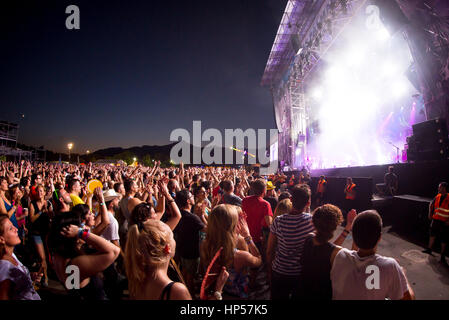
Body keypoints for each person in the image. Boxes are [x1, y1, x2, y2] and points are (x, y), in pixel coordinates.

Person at [125, 219, 228, 300]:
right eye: (173, 237)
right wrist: (217, 292)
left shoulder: (136, 282)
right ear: (168, 248)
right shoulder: (176, 291)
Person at [331, 210, 415, 300]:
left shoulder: (340, 256)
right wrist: (403, 276)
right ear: (379, 238)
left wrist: (349, 226)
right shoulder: (390, 266)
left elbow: (354, 256)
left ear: (354, 237)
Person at [47, 211, 120, 300]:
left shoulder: (58, 256)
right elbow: (114, 251)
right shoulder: (76, 264)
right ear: (70, 233)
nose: (82, 227)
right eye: (79, 227)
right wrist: (81, 232)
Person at [200, 204, 262, 299]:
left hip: (214, 294)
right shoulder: (241, 256)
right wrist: (247, 236)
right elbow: (258, 260)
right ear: (232, 227)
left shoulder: (205, 245)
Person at [297, 205, 356, 300]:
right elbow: (354, 261)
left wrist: (348, 227)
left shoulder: (309, 238)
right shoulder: (335, 253)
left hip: (302, 292)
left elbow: (327, 248)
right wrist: (353, 228)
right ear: (335, 226)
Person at [266, 184, 314, 299]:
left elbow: (270, 250)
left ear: (291, 200)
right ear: (308, 203)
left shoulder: (278, 221)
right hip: (300, 273)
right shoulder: (311, 222)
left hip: (280, 271)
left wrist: (269, 272)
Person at [0, 215, 42, 300]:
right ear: (1, 239)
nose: (16, 229)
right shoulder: (4, 267)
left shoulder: (12, 255)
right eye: (11, 228)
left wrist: (30, 276)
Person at [173, 189, 206, 294]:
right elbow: (207, 229)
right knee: (190, 277)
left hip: (182, 249)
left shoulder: (178, 214)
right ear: (188, 201)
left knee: (185, 273)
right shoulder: (192, 217)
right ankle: (189, 295)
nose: (193, 198)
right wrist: (202, 217)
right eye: (191, 196)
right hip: (191, 251)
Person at [29, 184, 53, 287]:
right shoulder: (32, 204)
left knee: (46, 257)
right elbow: (32, 219)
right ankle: (45, 277)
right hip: (36, 234)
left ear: (44, 192)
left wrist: (47, 211)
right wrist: (41, 212)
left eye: (41, 191)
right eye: (38, 191)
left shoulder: (48, 203)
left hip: (46, 233)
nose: (40, 193)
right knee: (42, 257)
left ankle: (40, 275)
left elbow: (52, 217)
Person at [422, 182, 449, 266]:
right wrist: (430, 214)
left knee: (443, 238)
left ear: (444, 188)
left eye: (440, 187)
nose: (438, 189)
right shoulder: (437, 196)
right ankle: (429, 249)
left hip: (444, 222)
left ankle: (442, 256)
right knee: (432, 234)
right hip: (436, 220)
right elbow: (431, 204)